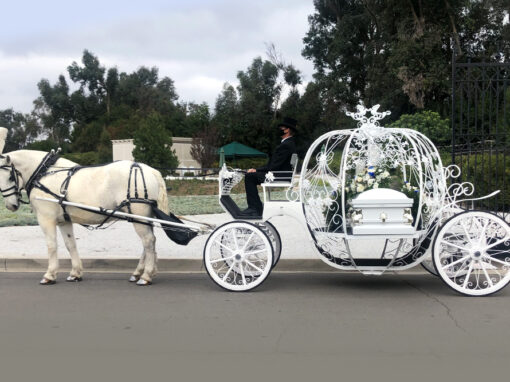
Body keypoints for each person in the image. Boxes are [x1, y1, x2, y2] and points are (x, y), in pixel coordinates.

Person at [242, 117, 297, 216]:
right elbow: (273, 165)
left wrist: (256, 170)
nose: (279, 129)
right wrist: (257, 170)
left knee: (249, 177)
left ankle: (255, 208)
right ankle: (257, 207)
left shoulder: (286, 145)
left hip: (279, 175)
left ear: (287, 129)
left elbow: (273, 166)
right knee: (251, 175)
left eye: (281, 127)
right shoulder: (289, 143)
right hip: (281, 174)